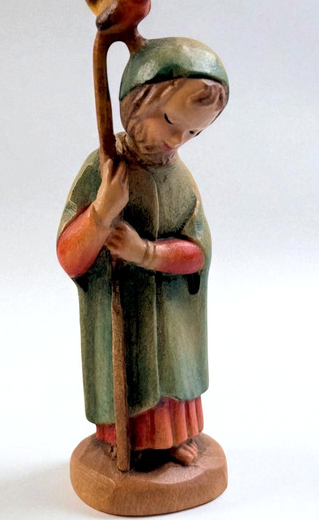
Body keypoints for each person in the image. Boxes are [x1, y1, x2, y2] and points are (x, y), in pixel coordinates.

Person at [57, 38, 229, 465]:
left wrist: (148, 253)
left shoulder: (180, 180)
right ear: (137, 103)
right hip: (122, 313)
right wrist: (101, 214)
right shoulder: (105, 168)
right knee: (129, 373)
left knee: (171, 371)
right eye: (170, 120)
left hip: (170, 317)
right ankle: (124, 439)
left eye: (193, 132)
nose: (178, 138)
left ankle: (173, 437)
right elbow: (68, 255)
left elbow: (199, 252)